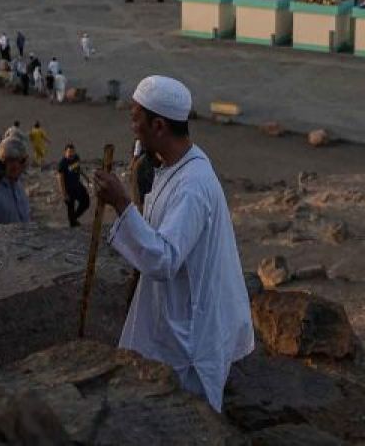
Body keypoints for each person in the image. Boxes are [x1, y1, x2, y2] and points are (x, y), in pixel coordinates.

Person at [90, 75, 254, 411]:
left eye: (136, 118)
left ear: (159, 126)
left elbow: (164, 260)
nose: (132, 126)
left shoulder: (192, 185)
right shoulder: (175, 167)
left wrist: (122, 203)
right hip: (172, 318)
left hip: (189, 338)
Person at [57, 143, 89, 227]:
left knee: (86, 202)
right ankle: (72, 223)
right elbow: (60, 179)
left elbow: (78, 168)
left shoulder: (76, 158)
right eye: (69, 152)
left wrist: (86, 177)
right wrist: (64, 194)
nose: (71, 154)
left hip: (77, 185)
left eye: (73, 152)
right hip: (68, 189)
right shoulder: (62, 163)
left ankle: (73, 218)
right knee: (70, 208)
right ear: (65, 153)